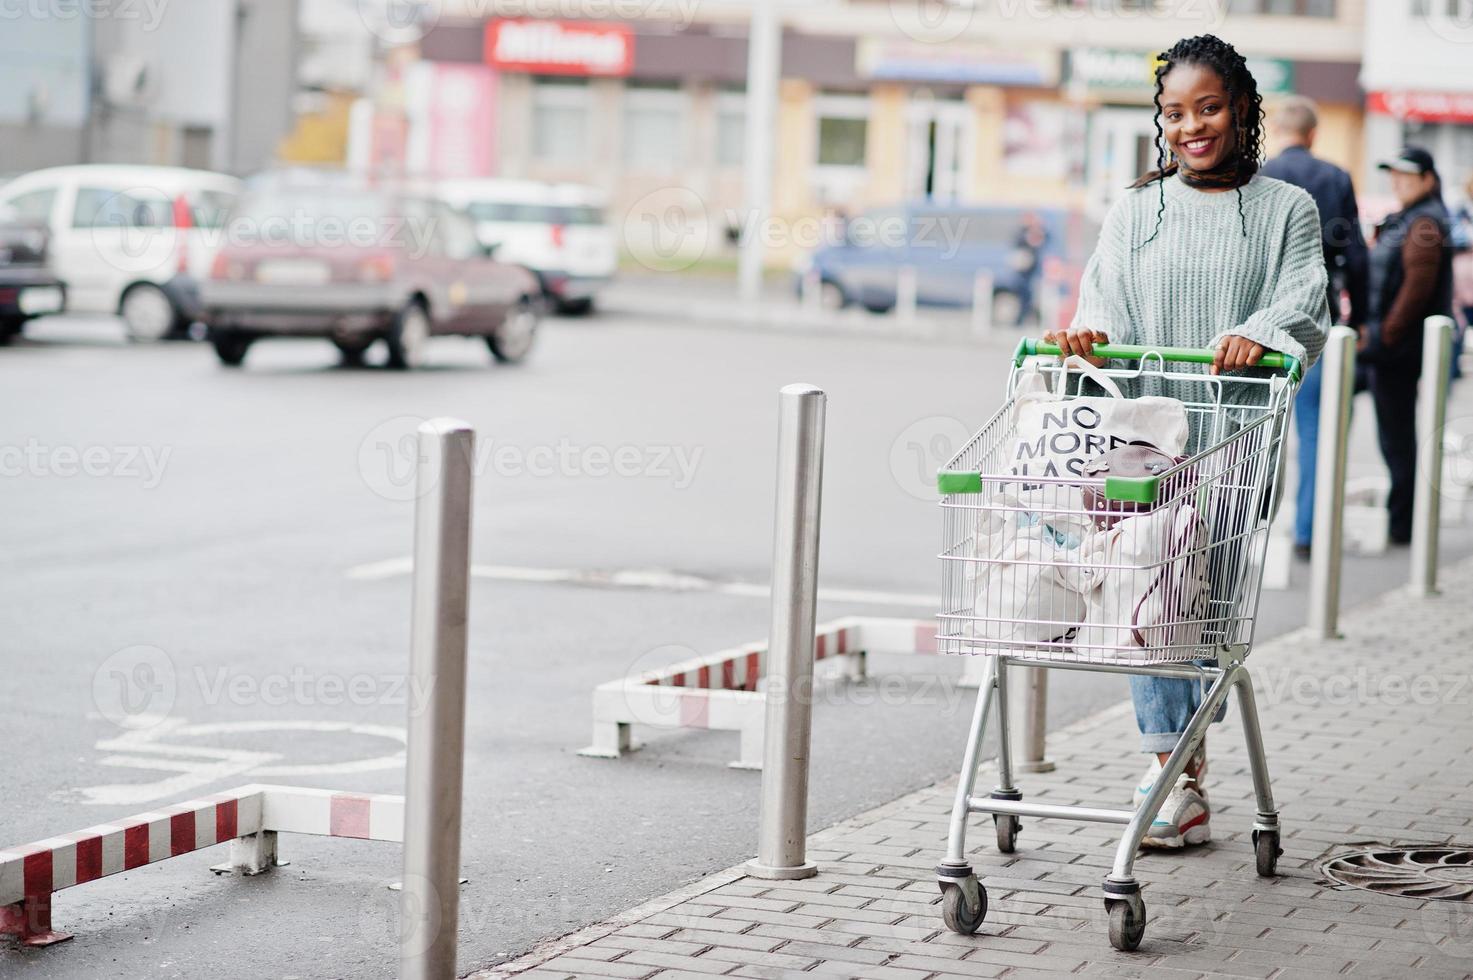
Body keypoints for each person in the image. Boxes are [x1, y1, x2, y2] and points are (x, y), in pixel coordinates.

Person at [1044, 35, 1329, 849]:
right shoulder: (1137, 208)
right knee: (1143, 592)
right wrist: (1087, 337)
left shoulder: (1286, 210)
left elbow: (1306, 301)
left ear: (1241, 110)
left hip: (1234, 444)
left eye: (1207, 108)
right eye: (1174, 112)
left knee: (1197, 616)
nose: (1190, 126)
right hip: (1145, 442)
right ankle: (1170, 769)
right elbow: (1101, 299)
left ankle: (1177, 775)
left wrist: (1257, 332)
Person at [1259, 96, 1368, 560]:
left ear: (1280, 130)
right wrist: (1356, 318)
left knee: (1257, 431)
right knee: (1317, 431)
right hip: (1315, 322)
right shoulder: (1335, 178)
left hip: (1257, 325)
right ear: (1313, 133)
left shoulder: (1257, 176)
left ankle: (1246, 530)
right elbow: (1357, 256)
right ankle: (1307, 534)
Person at [1363, 146, 1454, 546]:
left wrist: (1385, 336)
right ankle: (1401, 520)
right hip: (1386, 345)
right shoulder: (1408, 218)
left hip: (1397, 350)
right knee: (1394, 435)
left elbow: (1416, 291)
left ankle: (1403, 525)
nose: (1397, 181)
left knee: (1397, 438)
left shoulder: (1425, 223)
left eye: (1407, 175)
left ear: (1428, 180)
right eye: (1393, 174)